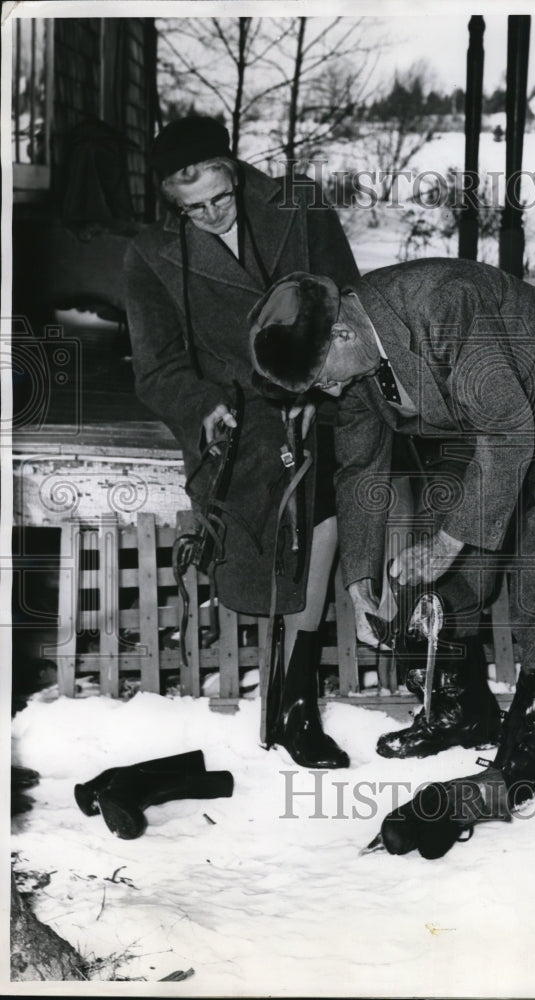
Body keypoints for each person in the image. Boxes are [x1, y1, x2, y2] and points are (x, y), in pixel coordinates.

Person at [249, 257, 535, 856]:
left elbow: (508, 431)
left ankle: (533, 747)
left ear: (342, 333)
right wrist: (361, 577)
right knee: (460, 522)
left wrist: (446, 544)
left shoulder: (444, 304)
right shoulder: (356, 356)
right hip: (501, 414)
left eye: (324, 379)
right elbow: (361, 469)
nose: (330, 392)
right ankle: (463, 711)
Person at [125, 116, 359, 769]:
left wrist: (324, 380)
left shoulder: (298, 206)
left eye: (218, 199)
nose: (208, 213)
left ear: (232, 167)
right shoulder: (151, 255)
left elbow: (349, 303)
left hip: (326, 386)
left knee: (347, 490)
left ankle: (302, 697)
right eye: (190, 209)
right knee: (277, 508)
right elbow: (159, 369)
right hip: (237, 409)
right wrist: (202, 409)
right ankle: (292, 698)